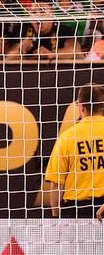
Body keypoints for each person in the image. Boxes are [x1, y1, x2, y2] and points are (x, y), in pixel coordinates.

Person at [46, 83, 104, 218]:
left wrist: (56, 216)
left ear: (81, 107)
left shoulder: (67, 137)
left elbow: (56, 185)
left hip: (76, 211)